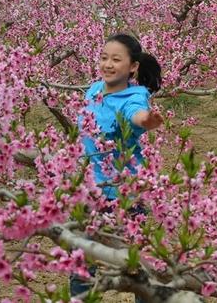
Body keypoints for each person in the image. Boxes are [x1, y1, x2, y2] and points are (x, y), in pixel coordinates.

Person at [70, 33, 163, 298]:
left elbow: (136, 115)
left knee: (136, 268)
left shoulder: (133, 98)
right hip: (89, 191)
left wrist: (147, 120)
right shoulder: (94, 89)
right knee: (80, 264)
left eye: (116, 60)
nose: (108, 64)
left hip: (124, 198)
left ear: (133, 66)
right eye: (104, 58)